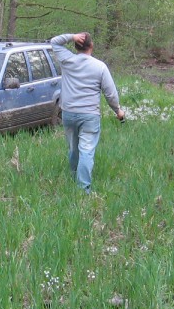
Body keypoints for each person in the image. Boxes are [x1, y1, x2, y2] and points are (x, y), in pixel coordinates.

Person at [49, 32, 125, 192]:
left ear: (76, 46)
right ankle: (83, 189)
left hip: (68, 113)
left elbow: (54, 42)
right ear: (91, 46)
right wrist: (117, 110)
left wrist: (72, 36)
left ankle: (73, 177)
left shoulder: (67, 60)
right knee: (86, 150)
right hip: (90, 115)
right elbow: (110, 93)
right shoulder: (100, 66)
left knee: (73, 148)